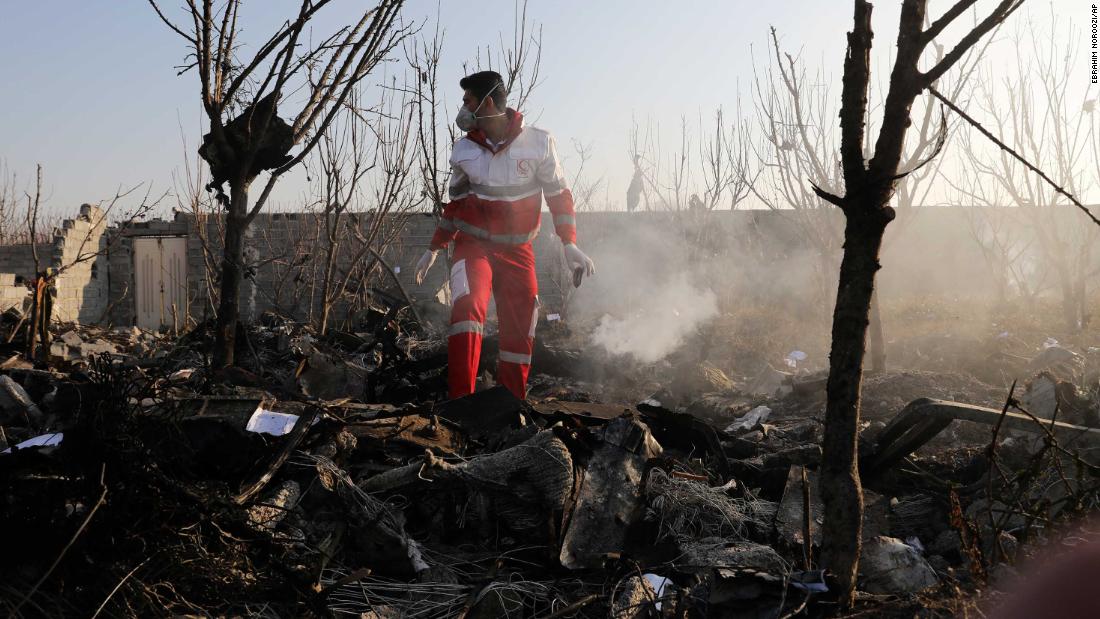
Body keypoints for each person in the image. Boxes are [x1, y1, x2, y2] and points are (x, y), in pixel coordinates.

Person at [414, 70, 595, 400]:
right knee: (467, 308)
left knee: (523, 320)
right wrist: (435, 247)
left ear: (488, 102)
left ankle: (510, 405)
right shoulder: (464, 151)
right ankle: (461, 405)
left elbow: (558, 194)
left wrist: (569, 242)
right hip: (474, 247)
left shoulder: (538, 143)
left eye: (468, 100)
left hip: (517, 249)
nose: (463, 108)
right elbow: (455, 206)